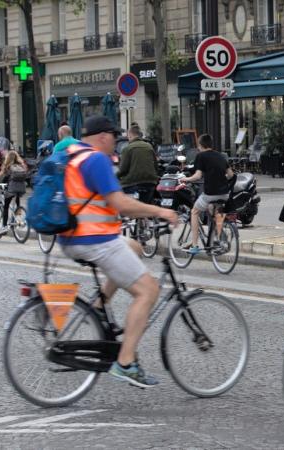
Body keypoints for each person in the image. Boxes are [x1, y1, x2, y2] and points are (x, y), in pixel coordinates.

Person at [58, 115, 178, 388]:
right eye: (114, 137)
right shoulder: (97, 159)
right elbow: (122, 204)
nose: (116, 143)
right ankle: (126, 363)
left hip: (70, 237)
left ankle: (99, 308)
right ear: (103, 137)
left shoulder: (72, 154)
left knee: (134, 246)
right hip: (94, 239)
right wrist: (160, 210)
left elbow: (95, 201)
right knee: (148, 290)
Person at [179, 134, 235, 254]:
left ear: (200, 145)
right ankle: (218, 239)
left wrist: (186, 179)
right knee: (213, 211)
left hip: (210, 193)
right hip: (225, 193)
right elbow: (231, 175)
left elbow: (198, 176)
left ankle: (194, 246)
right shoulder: (220, 155)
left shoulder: (201, 156)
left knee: (194, 212)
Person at [117, 124, 158, 204]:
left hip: (133, 183)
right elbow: (155, 166)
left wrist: (114, 176)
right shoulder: (149, 147)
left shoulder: (128, 148)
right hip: (150, 182)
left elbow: (123, 170)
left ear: (130, 135)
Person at [0, 151, 27, 237]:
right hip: (22, 189)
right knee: (16, 195)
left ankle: (4, 226)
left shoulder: (7, 167)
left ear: (8, 158)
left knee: (6, 206)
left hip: (12, 189)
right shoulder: (21, 166)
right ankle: (18, 211)